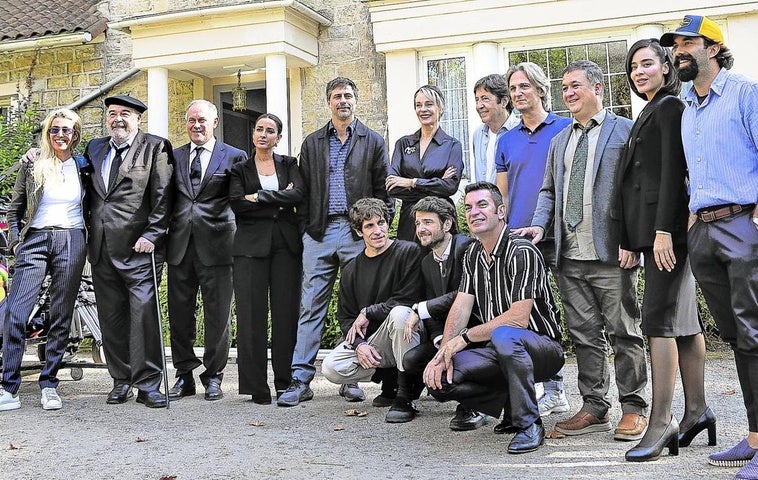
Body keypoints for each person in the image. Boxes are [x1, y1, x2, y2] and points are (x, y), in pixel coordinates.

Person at [519, 60, 648, 440]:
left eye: (576, 85)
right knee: (584, 335)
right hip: (568, 255)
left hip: (611, 253)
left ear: (598, 88)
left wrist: (632, 240)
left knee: (624, 332)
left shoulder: (624, 131)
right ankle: (594, 406)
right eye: (565, 87)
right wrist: (540, 225)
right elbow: (549, 192)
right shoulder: (560, 140)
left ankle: (634, 407)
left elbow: (637, 191)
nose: (569, 93)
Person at [660, 15, 758, 478]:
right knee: (739, 337)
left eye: (688, 42)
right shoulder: (686, 106)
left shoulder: (744, 92)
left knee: (756, 332)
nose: (679, 50)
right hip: (705, 231)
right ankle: (756, 437)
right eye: (675, 44)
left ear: (713, 48)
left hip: (744, 225)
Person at [618, 38, 712, 462]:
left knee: (657, 322)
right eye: (633, 67)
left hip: (668, 233)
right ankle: (697, 411)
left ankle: (662, 421)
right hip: (653, 233)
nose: (639, 72)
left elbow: (675, 173)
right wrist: (630, 239)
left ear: (666, 66)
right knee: (685, 322)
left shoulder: (671, 107)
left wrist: (661, 233)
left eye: (647, 64)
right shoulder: (650, 110)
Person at [423, 181, 564, 454]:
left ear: (501, 211)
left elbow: (518, 320)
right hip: (500, 350)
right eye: (468, 207)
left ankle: (529, 424)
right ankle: (511, 404)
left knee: (504, 334)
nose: (474, 212)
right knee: (440, 381)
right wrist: (443, 353)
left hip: (542, 349)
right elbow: (461, 307)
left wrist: (462, 340)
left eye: (482, 205)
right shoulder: (473, 253)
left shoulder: (522, 251)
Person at [278, 77, 393, 407]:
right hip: (319, 232)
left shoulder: (372, 141)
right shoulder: (312, 143)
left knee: (360, 307)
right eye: (337, 96)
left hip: (357, 234)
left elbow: (383, 191)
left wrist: (373, 229)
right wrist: (305, 227)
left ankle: (351, 376)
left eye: (348, 96)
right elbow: (303, 191)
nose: (343, 100)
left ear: (356, 101)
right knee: (311, 305)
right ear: (328, 102)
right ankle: (300, 379)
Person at [86, 95, 174, 408]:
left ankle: (149, 384)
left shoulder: (155, 147)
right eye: (112, 114)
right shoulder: (94, 148)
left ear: (138, 119)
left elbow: (164, 196)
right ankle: (120, 380)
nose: (118, 119)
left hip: (140, 249)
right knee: (111, 319)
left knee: (143, 316)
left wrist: (153, 233)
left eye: (125, 114)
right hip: (100, 247)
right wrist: (35, 154)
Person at [495, 61, 572, 417]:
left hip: (564, 235)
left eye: (524, 86)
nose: (518, 93)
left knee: (573, 314)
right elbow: (503, 197)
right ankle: (553, 388)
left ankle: (591, 393)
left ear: (541, 89)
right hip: (520, 241)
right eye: (513, 89)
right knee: (537, 314)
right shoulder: (505, 139)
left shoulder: (566, 127)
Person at [0, 109, 89, 412]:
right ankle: (9, 386)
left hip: (72, 239)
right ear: (48, 133)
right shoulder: (33, 164)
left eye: (67, 130)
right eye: (55, 130)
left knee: (61, 312)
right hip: (35, 239)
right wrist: (15, 243)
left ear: (75, 135)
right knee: (16, 311)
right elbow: (14, 211)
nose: (60, 136)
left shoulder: (83, 165)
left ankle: (49, 383)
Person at [166, 99, 247, 402]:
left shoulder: (235, 156)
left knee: (218, 316)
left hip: (219, 246)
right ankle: (184, 375)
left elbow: (241, 202)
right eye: (190, 120)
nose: (196, 125)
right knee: (179, 316)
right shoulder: (173, 157)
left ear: (215, 123)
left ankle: (213, 376)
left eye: (202, 120)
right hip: (180, 246)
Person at [320, 198, 423, 423]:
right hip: (376, 343)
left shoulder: (408, 251)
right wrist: (359, 346)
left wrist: (368, 311)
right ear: (359, 232)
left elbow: (409, 298)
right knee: (331, 367)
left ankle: (405, 396)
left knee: (399, 314)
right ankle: (388, 378)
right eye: (369, 226)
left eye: (381, 223)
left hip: (408, 331)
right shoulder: (351, 269)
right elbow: (346, 317)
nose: (378, 231)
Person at [230, 113, 304, 404]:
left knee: (286, 315)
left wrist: (257, 197)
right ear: (253, 134)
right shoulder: (240, 169)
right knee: (251, 317)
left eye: (270, 130)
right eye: (259, 129)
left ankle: (285, 382)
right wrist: (276, 196)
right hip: (249, 248)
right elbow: (237, 203)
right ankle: (255, 386)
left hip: (286, 246)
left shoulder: (290, 164)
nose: (263, 134)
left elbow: (298, 194)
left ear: (278, 137)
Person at [401, 196, 486, 430]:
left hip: (476, 333)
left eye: (428, 222)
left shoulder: (467, 247)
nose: (421, 229)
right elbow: (434, 312)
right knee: (413, 361)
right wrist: (440, 341)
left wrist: (421, 309)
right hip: (449, 335)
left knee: (454, 362)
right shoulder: (427, 262)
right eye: (418, 224)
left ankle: (477, 404)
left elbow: (465, 294)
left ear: (446, 224)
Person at [386, 85, 463, 241]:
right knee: (410, 264)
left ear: (440, 108)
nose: (423, 109)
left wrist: (411, 182)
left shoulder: (452, 145)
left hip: (440, 220)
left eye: (429, 104)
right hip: (410, 221)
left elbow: (450, 187)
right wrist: (436, 184)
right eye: (418, 105)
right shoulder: (403, 144)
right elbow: (392, 187)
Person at [470, 74, 520, 183]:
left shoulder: (520, 131)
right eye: (477, 100)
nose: (479, 105)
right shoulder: (478, 135)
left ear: (504, 101)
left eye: (485, 99)